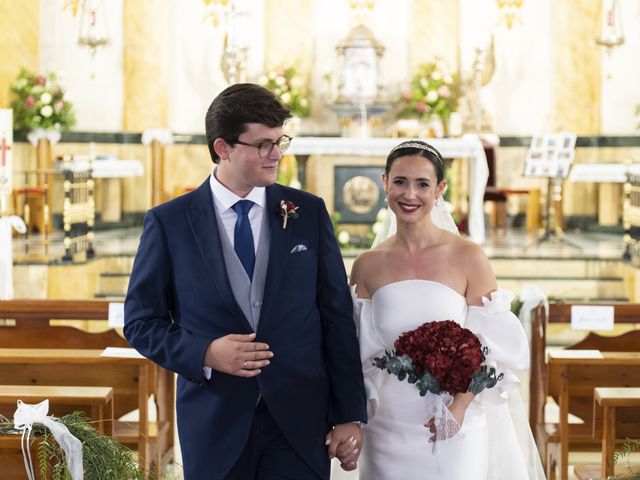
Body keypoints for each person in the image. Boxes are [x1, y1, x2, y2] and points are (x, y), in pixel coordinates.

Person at [124, 83, 367, 480]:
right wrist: (205, 352)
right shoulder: (169, 223)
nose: (276, 155)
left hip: (300, 419)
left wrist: (349, 414)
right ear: (223, 148)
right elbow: (139, 323)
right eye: (263, 145)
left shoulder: (306, 212)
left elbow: (336, 317)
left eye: (280, 141)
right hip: (215, 422)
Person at [349, 140, 546, 479]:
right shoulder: (367, 265)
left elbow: (490, 345)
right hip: (387, 428)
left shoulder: (467, 257)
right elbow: (357, 353)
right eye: (400, 182)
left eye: (422, 184)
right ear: (384, 182)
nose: (410, 194)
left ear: (440, 188)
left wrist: (459, 406)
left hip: (455, 422)